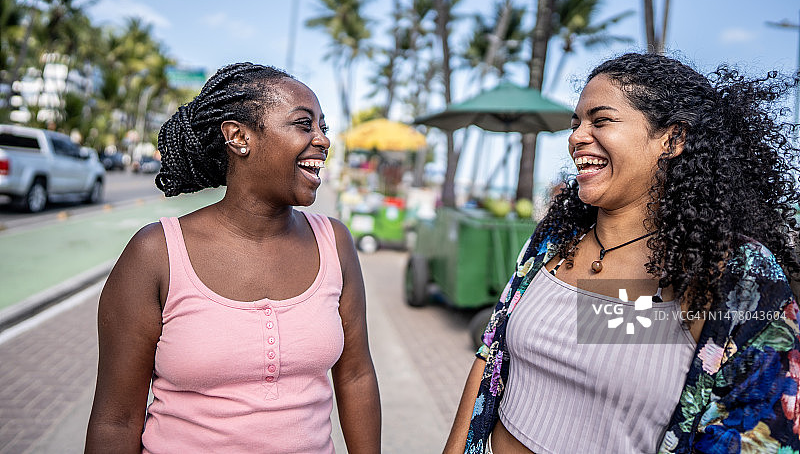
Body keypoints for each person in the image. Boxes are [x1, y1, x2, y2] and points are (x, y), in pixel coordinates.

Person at [444, 52, 800, 454]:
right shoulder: (556, 240)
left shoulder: (732, 275)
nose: (576, 136)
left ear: (672, 139)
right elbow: (493, 353)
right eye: (576, 123)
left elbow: (763, 435)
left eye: (601, 120)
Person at [85, 63, 381, 453]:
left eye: (323, 127)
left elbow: (357, 376)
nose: (323, 140)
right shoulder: (156, 253)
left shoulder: (335, 242)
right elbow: (116, 420)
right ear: (239, 137)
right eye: (304, 124)